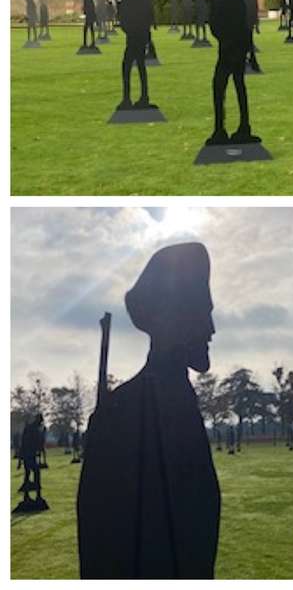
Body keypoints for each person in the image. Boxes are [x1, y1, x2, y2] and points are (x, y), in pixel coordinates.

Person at [77, 242, 220, 579]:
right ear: (177, 320)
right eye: (204, 312)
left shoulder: (179, 402)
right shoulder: (120, 414)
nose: (212, 329)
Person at [199, 0, 260, 146]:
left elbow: (222, 20)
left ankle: (221, 129)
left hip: (229, 45)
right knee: (238, 85)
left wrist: (215, 26)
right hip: (236, 44)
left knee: (220, 87)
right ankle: (243, 127)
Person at [112, 0, 155, 110]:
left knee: (127, 67)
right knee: (140, 66)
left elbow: (124, 21)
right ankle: (143, 97)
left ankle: (128, 99)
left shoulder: (127, 0)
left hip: (134, 37)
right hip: (140, 36)